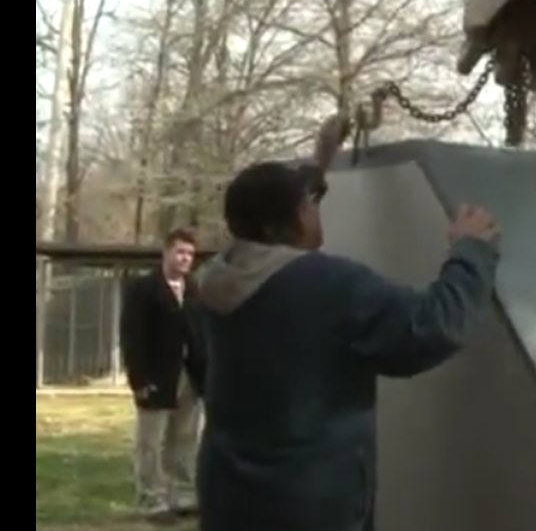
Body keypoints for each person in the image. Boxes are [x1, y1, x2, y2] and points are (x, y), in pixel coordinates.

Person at [192, 117, 500, 531]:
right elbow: (433, 327)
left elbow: (268, 223)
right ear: (281, 225)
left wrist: (322, 161)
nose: (317, 209)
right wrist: (470, 250)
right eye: (308, 204)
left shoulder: (218, 279)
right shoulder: (328, 286)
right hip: (310, 507)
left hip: (230, 498)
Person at [120, 228, 203, 521]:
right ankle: (152, 500)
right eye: (180, 252)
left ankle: (182, 495)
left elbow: (199, 334)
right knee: (150, 442)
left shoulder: (194, 289)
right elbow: (132, 336)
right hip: (155, 375)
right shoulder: (144, 288)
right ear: (166, 252)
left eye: (190, 254)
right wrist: (138, 380)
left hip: (188, 376)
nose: (185, 258)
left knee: (185, 437)